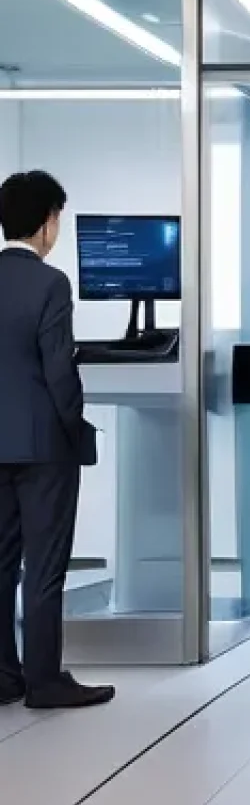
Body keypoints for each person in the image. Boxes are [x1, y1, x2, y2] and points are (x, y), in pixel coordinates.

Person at [0, 171, 114, 709]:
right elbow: (59, 374)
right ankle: (44, 680)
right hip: (44, 446)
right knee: (44, 566)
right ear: (47, 222)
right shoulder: (50, 284)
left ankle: (4, 675)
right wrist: (75, 430)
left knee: (1, 563)